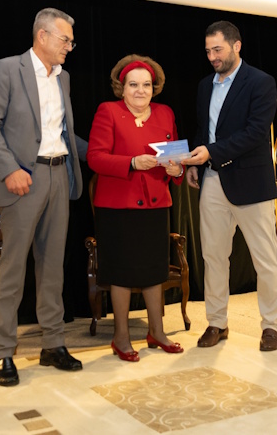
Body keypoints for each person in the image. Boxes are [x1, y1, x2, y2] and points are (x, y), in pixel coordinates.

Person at [0, 7, 87, 387]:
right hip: (23, 179)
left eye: (71, 41)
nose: (69, 47)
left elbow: (63, 133)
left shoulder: (63, 77)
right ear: (42, 36)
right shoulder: (8, 69)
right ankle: (3, 353)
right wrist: (10, 169)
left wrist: (107, 152)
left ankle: (52, 344)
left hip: (59, 175)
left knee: (53, 267)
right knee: (13, 270)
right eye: (65, 40)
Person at [183, 20, 277, 351]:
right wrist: (195, 163)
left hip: (251, 182)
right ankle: (217, 322)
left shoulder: (261, 81)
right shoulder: (204, 85)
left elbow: (256, 132)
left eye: (218, 49)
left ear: (236, 46)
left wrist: (211, 151)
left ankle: (271, 327)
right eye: (208, 51)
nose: (212, 56)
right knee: (213, 256)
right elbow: (204, 129)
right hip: (212, 180)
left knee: (265, 259)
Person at [86, 54, 185, 362]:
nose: (140, 90)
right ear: (122, 87)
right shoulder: (108, 111)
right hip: (118, 208)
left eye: (146, 85)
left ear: (154, 87)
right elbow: (95, 157)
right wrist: (131, 162)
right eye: (133, 85)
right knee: (122, 273)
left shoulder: (165, 112)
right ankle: (121, 337)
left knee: (155, 271)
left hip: (156, 204)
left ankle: (157, 332)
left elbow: (175, 158)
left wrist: (177, 170)